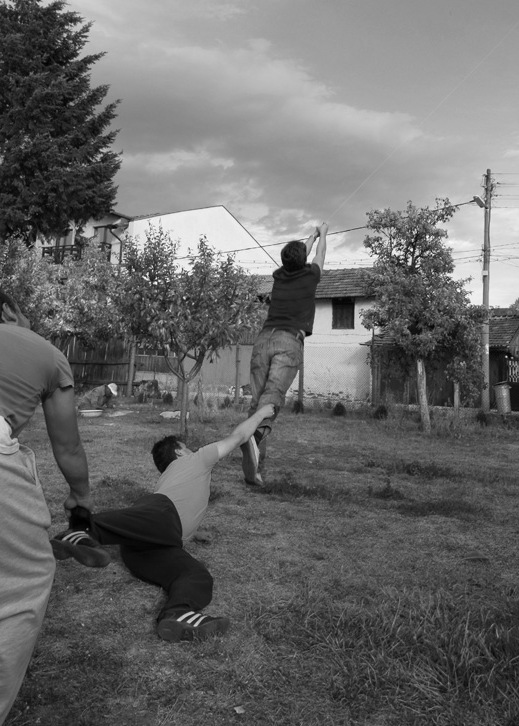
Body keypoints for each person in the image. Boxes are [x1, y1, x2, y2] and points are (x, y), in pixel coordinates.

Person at [0, 287, 104, 726]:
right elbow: (67, 445)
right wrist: (81, 496)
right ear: (9, 311)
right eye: (24, 312)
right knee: (8, 596)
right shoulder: (42, 349)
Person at [53, 403, 275, 643]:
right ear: (179, 451)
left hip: (152, 545)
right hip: (161, 522)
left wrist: (194, 532)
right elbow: (239, 436)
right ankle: (82, 528)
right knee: (159, 516)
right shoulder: (196, 460)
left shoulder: (169, 479)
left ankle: (178, 613)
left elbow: (172, 513)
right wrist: (261, 414)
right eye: (186, 447)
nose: (192, 449)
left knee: (196, 574)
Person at [241, 223, 328, 485]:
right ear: (303, 260)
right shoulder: (311, 275)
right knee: (272, 397)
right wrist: (323, 235)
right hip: (288, 341)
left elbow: (303, 253)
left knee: (258, 403)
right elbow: (319, 254)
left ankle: (253, 469)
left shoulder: (279, 276)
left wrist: (311, 236)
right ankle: (255, 437)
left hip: (262, 340)